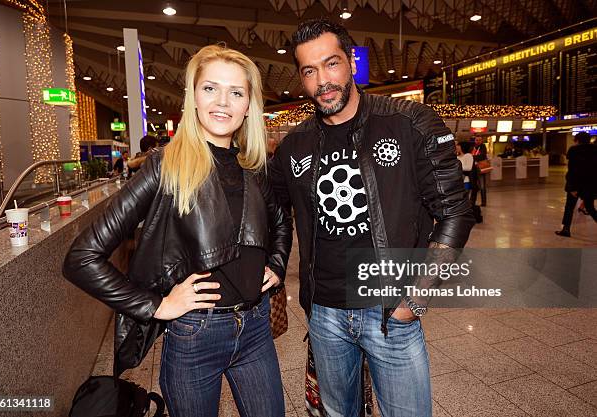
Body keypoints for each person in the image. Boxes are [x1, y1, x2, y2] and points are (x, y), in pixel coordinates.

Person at [63, 44, 292, 417]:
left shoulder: (252, 168)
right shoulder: (164, 167)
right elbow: (82, 257)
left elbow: (282, 220)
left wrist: (278, 265)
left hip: (255, 329)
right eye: (210, 89)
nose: (223, 102)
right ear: (194, 98)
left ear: (248, 105)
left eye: (236, 92)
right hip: (194, 337)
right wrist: (158, 305)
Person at [269, 18, 474, 417]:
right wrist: (276, 262)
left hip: (390, 315)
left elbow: (454, 212)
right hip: (325, 315)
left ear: (351, 62)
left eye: (331, 64)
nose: (322, 81)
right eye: (309, 71)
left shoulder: (409, 123)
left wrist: (416, 299)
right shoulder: (295, 145)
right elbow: (271, 207)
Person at [555, 132, 597, 237]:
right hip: (590, 185)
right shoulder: (595, 150)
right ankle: (565, 229)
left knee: (569, 207)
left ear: (577, 140)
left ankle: (566, 229)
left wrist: (572, 187)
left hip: (576, 184)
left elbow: (573, 170)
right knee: (590, 207)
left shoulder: (574, 151)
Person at [471, 136, 488, 206]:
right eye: (476, 140)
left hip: (480, 168)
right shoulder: (473, 147)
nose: (478, 141)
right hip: (473, 168)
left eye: (479, 140)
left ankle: (484, 202)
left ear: (481, 141)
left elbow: (482, 156)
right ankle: (472, 201)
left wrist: (473, 157)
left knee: (482, 186)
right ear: (475, 140)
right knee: (473, 186)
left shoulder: (483, 147)